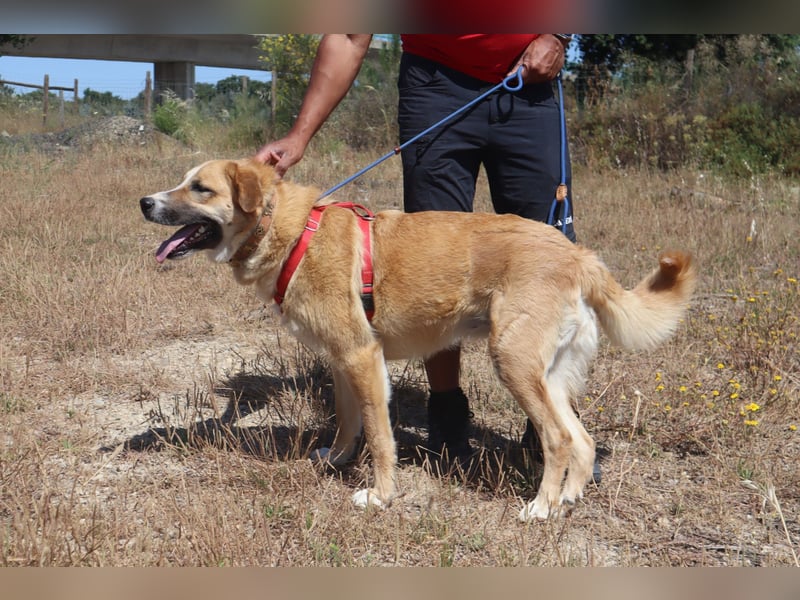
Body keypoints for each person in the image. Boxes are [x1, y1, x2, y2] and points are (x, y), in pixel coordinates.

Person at [255, 34, 583, 472]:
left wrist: (558, 34)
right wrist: (299, 136)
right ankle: (447, 417)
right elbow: (348, 35)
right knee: (430, 261)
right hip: (435, 85)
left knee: (546, 257)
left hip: (530, 83)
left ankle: (555, 425)